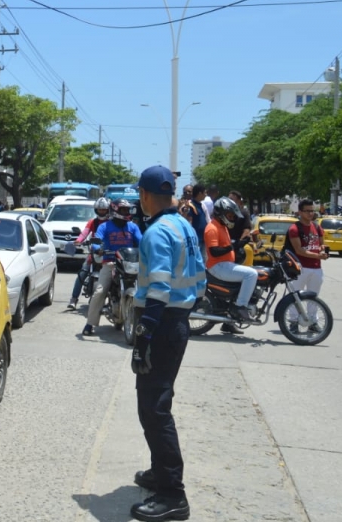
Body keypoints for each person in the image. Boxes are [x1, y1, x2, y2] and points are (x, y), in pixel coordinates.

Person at [129, 165, 206, 522]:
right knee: (159, 401)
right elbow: (200, 280)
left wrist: (145, 333)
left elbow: (158, 288)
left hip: (161, 325)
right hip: (178, 322)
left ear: (145, 195)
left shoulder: (158, 231)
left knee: (154, 409)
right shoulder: (186, 226)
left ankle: (172, 494)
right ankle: (160, 473)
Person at [83, 198, 142, 336]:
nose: (127, 212)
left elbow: (142, 240)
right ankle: (90, 323)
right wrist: (97, 248)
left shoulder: (132, 226)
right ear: (115, 210)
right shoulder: (104, 227)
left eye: (128, 209)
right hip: (111, 263)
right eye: (123, 210)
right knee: (99, 292)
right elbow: (97, 239)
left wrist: (148, 247)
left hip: (130, 264)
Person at [205, 197, 257, 333]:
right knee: (251, 274)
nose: (232, 218)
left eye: (232, 215)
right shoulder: (212, 228)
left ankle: (229, 323)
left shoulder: (222, 226)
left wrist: (240, 243)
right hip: (217, 266)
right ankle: (241, 307)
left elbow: (228, 245)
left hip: (224, 264)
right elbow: (214, 251)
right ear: (220, 213)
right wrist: (233, 246)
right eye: (229, 215)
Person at [284, 199, 328, 333]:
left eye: (312, 211)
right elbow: (299, 250)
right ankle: (293, 322)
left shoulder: (317, 227)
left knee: (313, 297)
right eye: (307, 211)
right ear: (300, 212)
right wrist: (317, 256)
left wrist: (322, 250)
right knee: (295, 296)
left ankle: (313, 322)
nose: (310, 214)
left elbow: (321, 243)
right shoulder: (294, 228)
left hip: (316, 268)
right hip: (299, 268)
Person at [68, 197, 111, 310]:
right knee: (82, 273)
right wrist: (78, 240)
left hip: (107, 253)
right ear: (96, 210)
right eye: (100, 210)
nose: (102, 211)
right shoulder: (92, 222)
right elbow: (85, 233)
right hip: (94, 252)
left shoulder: (111, 223)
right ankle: (73, 299)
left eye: (104, 209)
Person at [227, 190, 256, 264]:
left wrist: (239, 243)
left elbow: (246, 230)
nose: (230, 202)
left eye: (232, 200)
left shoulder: (244, 213)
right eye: (228, 199)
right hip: (227, 246)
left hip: (239, 246)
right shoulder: (224, 213)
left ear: (239, 201)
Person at [184, 184, 209, 262]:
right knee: (196, 260)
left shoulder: (201, 205)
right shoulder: (191, 205)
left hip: (203, 238)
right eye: (205, 193)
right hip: (196, 239)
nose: (206, 195)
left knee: (203, 260)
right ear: (199, 193)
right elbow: (189, 221)